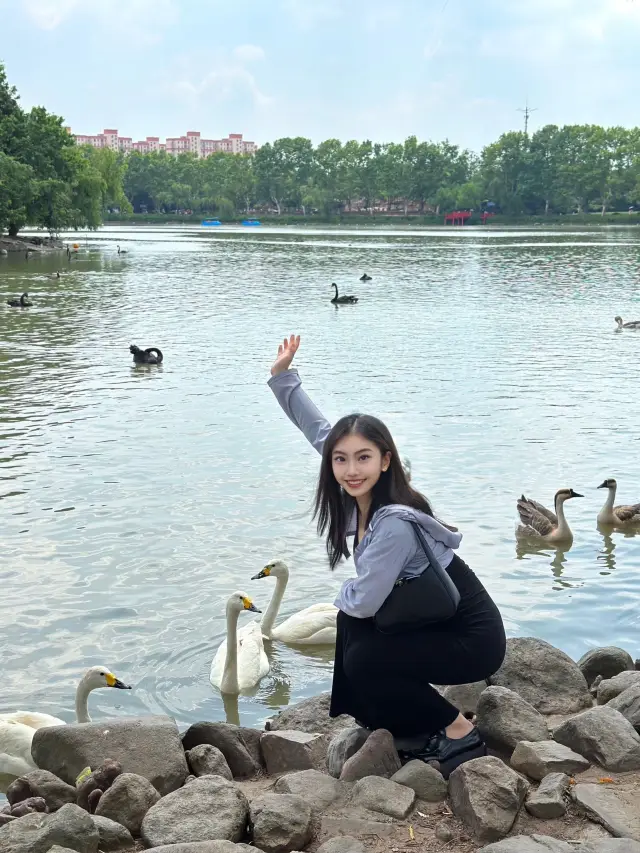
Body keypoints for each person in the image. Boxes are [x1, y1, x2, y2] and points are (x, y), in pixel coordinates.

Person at [267, 335, 506, 776]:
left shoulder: (393, 522)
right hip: (435, 620)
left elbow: (366, 601)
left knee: (364, 648)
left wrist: (341, 596)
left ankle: (457, 730)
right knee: (354, 631)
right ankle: (382, 718)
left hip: (472, 638)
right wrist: (284, 379)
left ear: (385, 460)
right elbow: (318, 429)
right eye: (341, 460)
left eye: (363, 458)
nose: (350, 469)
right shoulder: (352, 490)